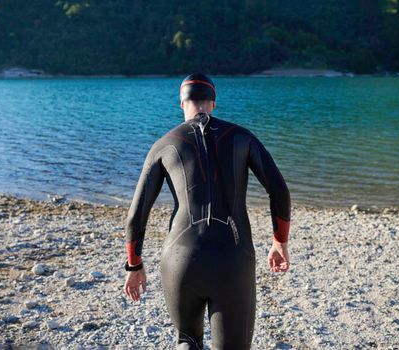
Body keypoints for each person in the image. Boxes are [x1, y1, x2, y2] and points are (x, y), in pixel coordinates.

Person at [123, 73, 291, 349]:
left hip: (180, 260)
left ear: (182, 104)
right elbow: (279, 190)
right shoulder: (241, 137)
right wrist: (279, 242)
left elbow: (137, 214)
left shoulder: (164, 144)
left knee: (187, 341)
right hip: (232, 258)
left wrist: (134, 265)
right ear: (213, 103)